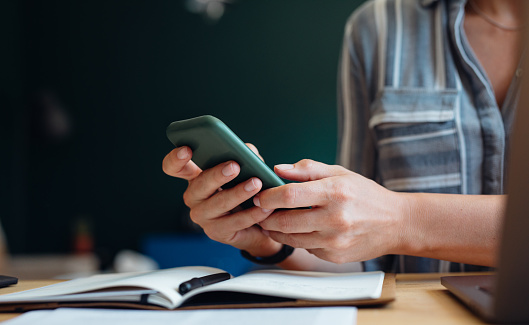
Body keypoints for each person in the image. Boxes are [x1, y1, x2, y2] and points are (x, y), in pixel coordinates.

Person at [163, 0, 522, 273]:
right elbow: (360, 253)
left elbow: (388, 221)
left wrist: (402, 219)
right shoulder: (377, 27)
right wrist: (275, 239)